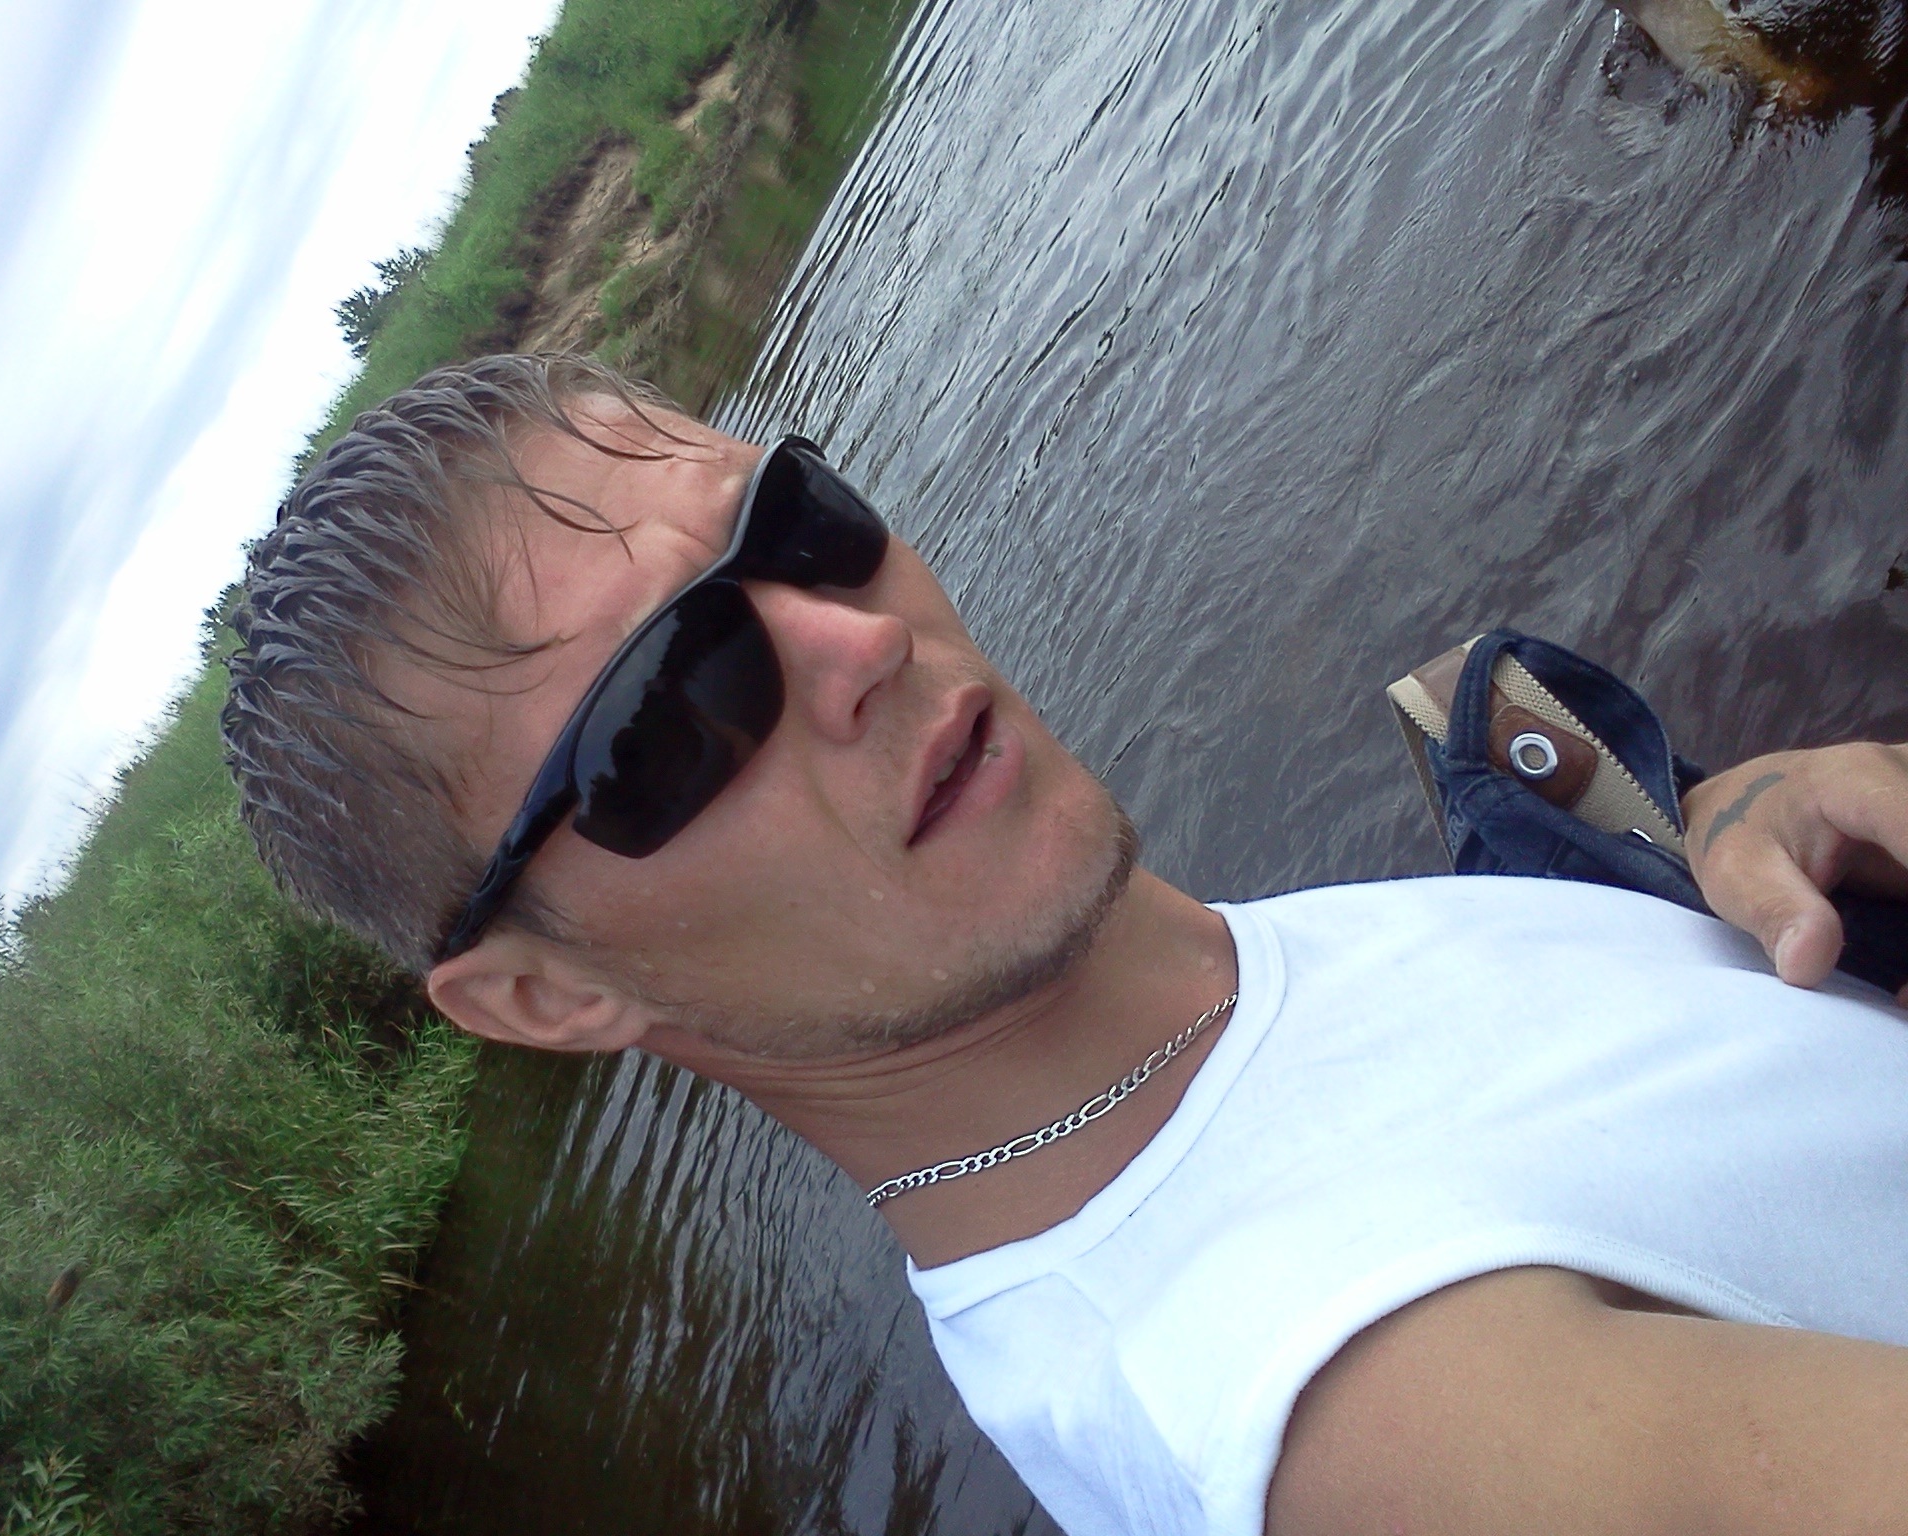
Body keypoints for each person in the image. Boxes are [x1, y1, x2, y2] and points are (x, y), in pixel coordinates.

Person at [222, 353, 1908, 1536]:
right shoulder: (1375, 1410)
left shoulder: (1173, 1038)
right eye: (671, 708)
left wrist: (1725, 827)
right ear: (548, 991)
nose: (856, 643)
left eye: (795, 525)